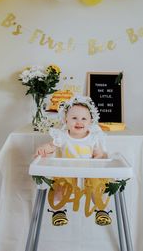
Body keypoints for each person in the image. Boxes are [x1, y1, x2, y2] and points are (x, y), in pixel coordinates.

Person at [35, 95, 112, 226]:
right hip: (66, 172)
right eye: (74, 118)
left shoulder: (93, 138)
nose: (79, 122)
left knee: (97, 186)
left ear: (90, 121)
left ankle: (101, 209)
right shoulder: (62, 137)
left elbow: (99, 155)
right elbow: (51, 147)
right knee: (59, 186)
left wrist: (100, 158)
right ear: (66, 120)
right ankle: (58, 211)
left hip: (88, 171)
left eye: (84, 118)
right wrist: (43, 148)